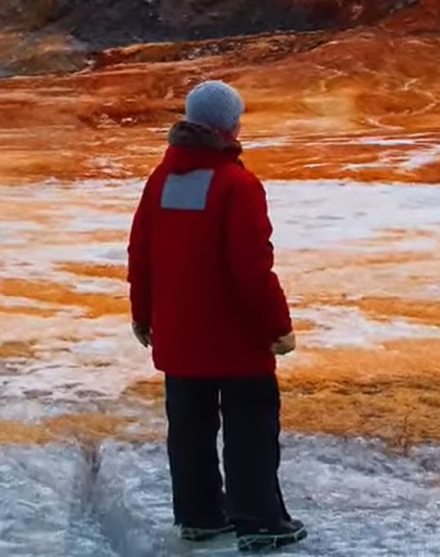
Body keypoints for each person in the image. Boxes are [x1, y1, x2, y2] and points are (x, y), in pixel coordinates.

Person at [127, 80, 307, 553]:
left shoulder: (161, 180)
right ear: (228, 125)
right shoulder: (236, 184)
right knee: (250, 428)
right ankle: (260, 521)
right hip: (234, 339)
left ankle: (200, 515)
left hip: (179, 335)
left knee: (189, 429)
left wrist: (142, 315)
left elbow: (141, 253)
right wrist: (277, 327)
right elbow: (250, 269)